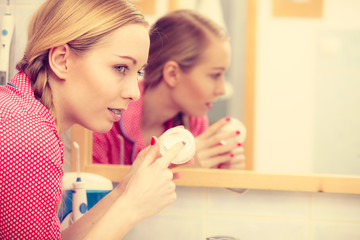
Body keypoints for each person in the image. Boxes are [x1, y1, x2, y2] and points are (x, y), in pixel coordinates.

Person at [0, 0, 188, 239]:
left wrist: (124, 190)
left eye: (138, 72)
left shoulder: (24, 116)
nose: (135, 92)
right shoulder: (28, 136)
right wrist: (131, 207)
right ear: (61, 60)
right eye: (120, 68)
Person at [93, 9, 245, 169]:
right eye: (215, 75)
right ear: (172, 74)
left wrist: (224, 176)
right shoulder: (106, 117)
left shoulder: (193, 121)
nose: (222, 90)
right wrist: (180, 172)